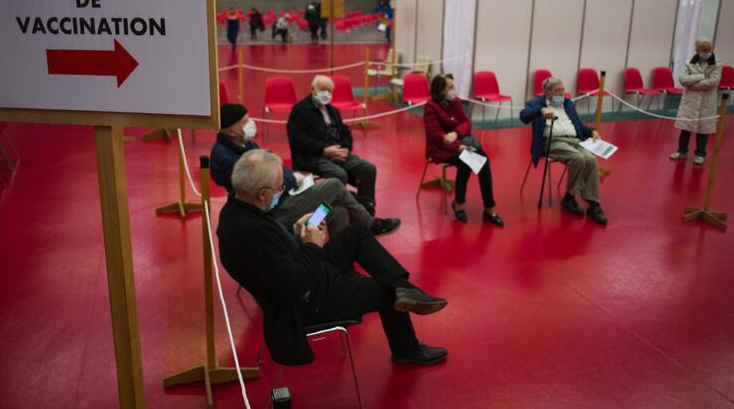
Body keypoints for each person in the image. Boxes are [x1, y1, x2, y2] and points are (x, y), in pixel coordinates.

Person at [217, 149, 448, 366]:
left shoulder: (241, 208)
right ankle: (406, 349)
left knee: (356, 233)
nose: (281, 192)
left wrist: (294, 233)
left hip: (308, 271)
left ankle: (402, 286)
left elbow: (275, 253)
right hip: (308, 301)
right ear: (263, 194)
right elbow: (293, 286)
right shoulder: (249, 233)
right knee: (385, 290)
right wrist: (312, 245)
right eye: (279, 188)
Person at [211, 103, 401, 235]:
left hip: (283, 197)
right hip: (273, 211)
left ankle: (337, 258)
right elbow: (263, 183)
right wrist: (291, 179)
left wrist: (285, 176)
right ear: (229, 129)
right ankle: (370, 224)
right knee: (334, 185)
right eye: (245, 122)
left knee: (338, 211)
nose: (250, 124)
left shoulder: (244, 143)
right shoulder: (225, 159)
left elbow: (276, 166)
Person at [520, 76, 608, 225]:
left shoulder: (568, 104)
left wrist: (592, 131)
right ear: (547, 93)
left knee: (591, 159)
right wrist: (540, 111)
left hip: (574, 140)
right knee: (579, 159)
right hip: (552, 142)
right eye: (557, 91)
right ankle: (570, 198)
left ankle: (592, 203)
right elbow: (524, 116)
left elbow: (579, 125)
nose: (561, 94)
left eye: (563, 90)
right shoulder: (536, 103)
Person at [287, 75, 380, 214]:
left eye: (330, 91)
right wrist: (324, 150)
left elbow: (344, 131)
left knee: (368, 169)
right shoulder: (300, 110)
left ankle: (366, 210)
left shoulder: (332, 110)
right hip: (313, 157)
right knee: (339, 174)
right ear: (313, 89)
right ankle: (328, 213)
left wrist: (346, 149)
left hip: (337, 153)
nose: (326, 94)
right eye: (323, 89)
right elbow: (297, 140)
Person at [423, 74, 503, 225]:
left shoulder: (457, 102)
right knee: (466, 162)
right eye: (450, 87)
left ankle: (489, 207)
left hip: (460, 144)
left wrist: (456, 133)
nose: (454, 90)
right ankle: (460, 204)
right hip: (440, 148)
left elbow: (467, 123)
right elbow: (435, 135)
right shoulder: (430, 106)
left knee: (483, 162)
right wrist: (457, 146)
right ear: (440, 91)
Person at [670, 37, 722, 165]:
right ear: (697, 49)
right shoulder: (689, 63)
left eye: (708, 49)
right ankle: (682, 152)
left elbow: (712, 82)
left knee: (703, 129)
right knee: (685, 128)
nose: (706, 51)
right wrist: (701, 76)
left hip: (706, 102)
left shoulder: (717, 63)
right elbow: (682, 79)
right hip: (690, 101)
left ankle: (700, 154)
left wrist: (692, 84)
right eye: (703, 49)